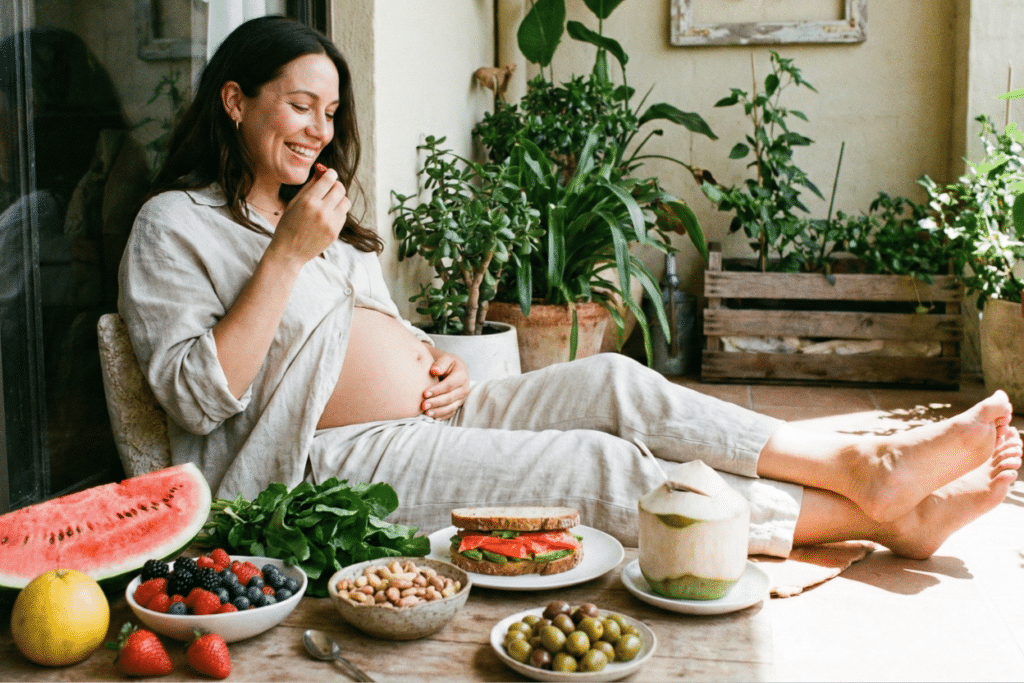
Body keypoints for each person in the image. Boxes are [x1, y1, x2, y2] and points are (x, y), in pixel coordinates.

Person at [119, 16, 1022, 560]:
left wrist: (439, 363)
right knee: (598, 470)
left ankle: (859, 467)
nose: (321, 129)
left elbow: (375, 332)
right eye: (298, 104)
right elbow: (198, 399)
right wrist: (284, 255)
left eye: (330, 110)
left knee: (616, 382)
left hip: (424, 416)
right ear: (235, 101)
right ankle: (868, 516)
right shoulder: (173, 226)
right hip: (321, 466)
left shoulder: (315, 210)